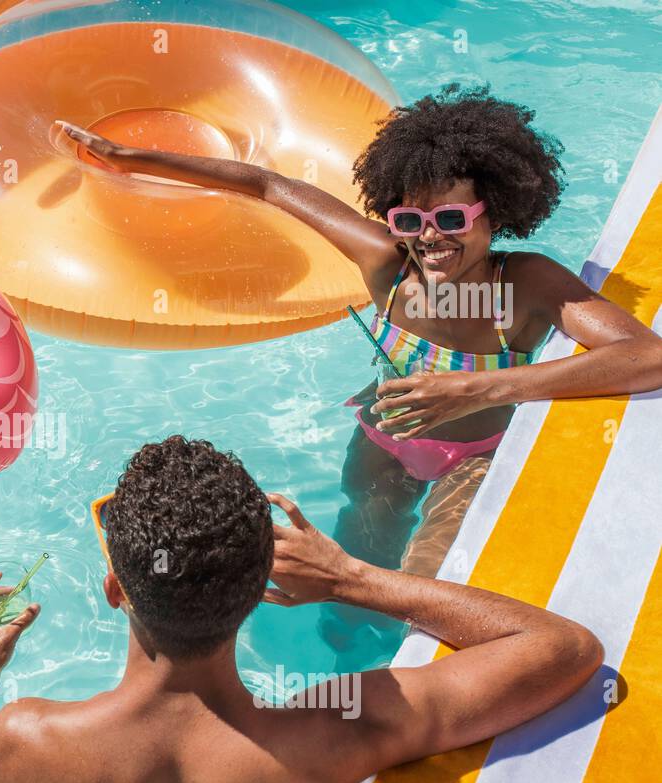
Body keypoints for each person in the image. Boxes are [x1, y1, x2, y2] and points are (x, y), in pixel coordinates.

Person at [59, 86, 662, 589]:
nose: (430, 239)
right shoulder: (386, 264)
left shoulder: (525, 283)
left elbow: (647, 356)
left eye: (452, 219)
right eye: (411, 221)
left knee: (431, 585)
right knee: (354, 569)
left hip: (473, 461)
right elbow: (266, 186)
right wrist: (128, 158)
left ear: (495, 217)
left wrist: (481, 389)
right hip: (382, 438)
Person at [0, 436, 602, 783]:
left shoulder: (27, 747)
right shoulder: (329, 734)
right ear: (258, 595)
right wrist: (350, 577)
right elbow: (563, 648)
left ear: (112, 589)